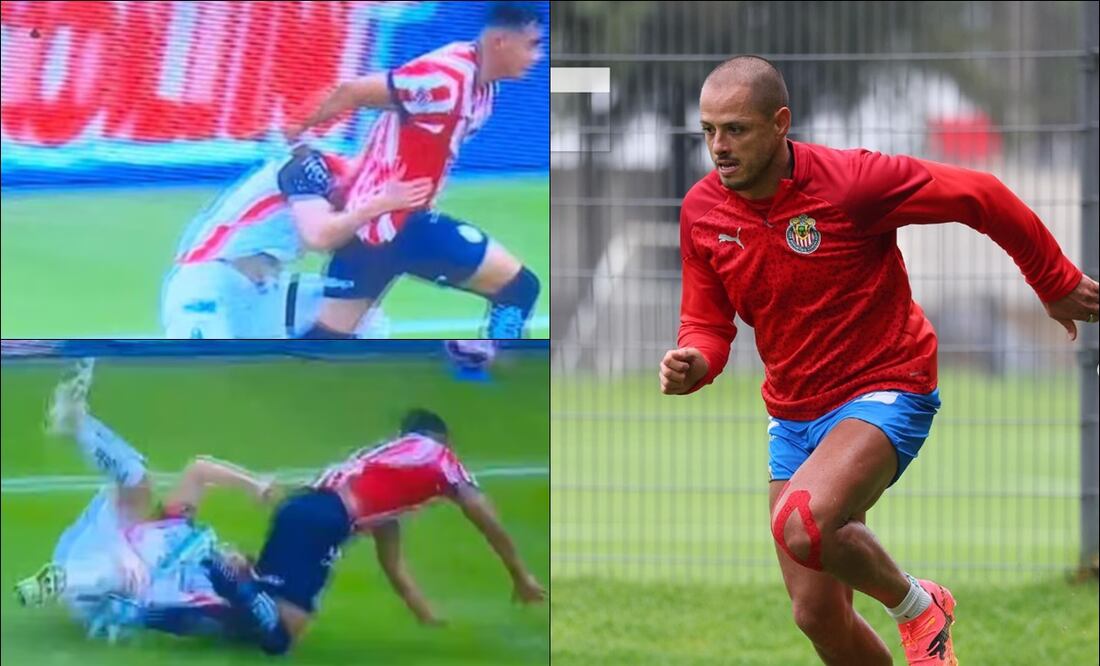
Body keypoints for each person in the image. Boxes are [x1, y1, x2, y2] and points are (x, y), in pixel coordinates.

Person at [658, 55, 1100, 665]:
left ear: (780, 122)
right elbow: (707, 325)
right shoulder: (703, 212)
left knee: (802, 524)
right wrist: (695, 363)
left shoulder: (851, 183)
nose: (718, 146)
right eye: (708, 130)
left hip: (887, 385)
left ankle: (920, 607)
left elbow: (982, 194)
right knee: (816, 615)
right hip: (792, 413)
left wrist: (1051, 280)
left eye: (735, 129)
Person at [287, 1, 545, 339]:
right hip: (398, 224)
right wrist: (296, 128)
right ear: (501, 41)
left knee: (325, 344)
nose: (537, 57)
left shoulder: (481, 88)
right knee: (519, 289)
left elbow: (411, 127)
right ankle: (487, 371)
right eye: (532, 45)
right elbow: (352, 91)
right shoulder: (445, 78)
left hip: (373, 230)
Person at [205, 408, 546, 655]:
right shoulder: (441, 458)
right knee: (283, 640)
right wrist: (521, 576)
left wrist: (426, 616)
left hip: (299, 509)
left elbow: (393, 565)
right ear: (444, 440)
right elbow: (488, 521)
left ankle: (209, 597)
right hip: (326, 521)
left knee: (257, 623)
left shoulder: (382, 468)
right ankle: (222, 568)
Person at [13, 359, 279, 643]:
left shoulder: (208, 596)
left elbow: (218, 619)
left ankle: (58, 583)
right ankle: (77, 423)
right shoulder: (182, 527)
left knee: (129, 576)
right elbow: (199, 470)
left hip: (102, 591)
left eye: (239, 563)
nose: (232, 555)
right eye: (237, 555)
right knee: (137, 476)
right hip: (99, 540)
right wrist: (253, 484)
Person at [161, 147, 433, 339]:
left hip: (264, 293)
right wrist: (378, 205)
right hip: (208, 285)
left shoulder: (354, 207)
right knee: (206, 382)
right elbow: (317, 236)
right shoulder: (308, 166)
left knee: (365, 319)